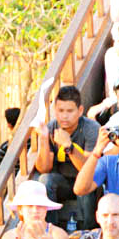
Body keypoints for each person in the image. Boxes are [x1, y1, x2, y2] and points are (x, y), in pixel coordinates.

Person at [35, 85, 101, 230]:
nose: (64, 116)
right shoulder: (51, 128)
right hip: (63, 182)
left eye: (70, 111)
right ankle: (51, 230)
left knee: (85, 184)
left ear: (80, 111)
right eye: (60, 111)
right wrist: (44, 139)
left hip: (86, 181)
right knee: (45, 180)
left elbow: (88, 169)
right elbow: (44, 168)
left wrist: (68, 146)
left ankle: (88, 231)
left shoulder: (91, 128)